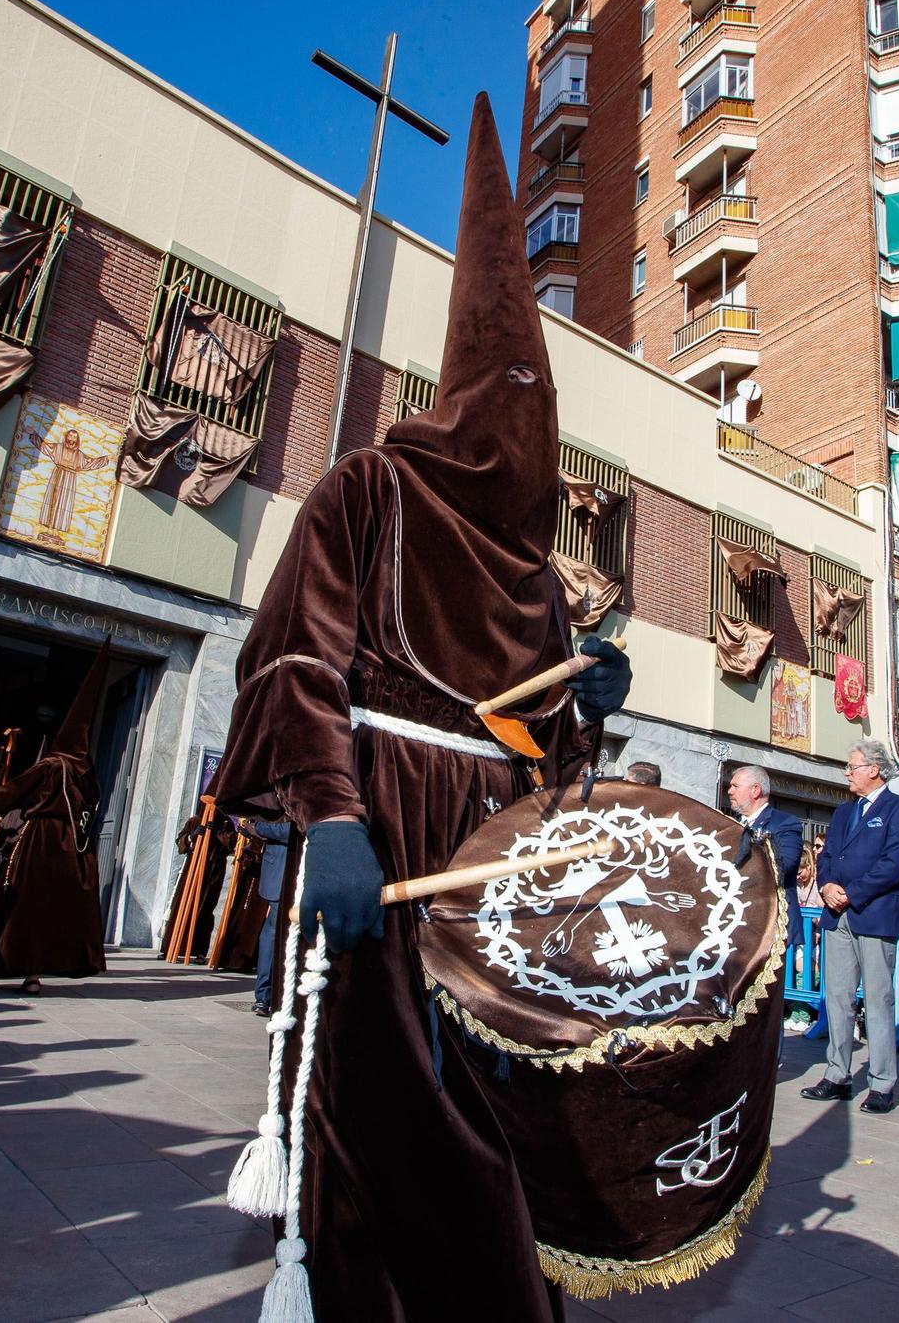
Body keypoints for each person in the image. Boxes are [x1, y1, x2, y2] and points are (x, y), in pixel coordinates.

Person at [207, 95, 629, 1322]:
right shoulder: (366, 492)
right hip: (385, 824)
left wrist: (586, 703)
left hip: (493, 852)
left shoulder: (539, 574)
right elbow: (292, 664)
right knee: (381, 1099)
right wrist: (331, 818)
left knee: (501, 1103)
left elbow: (539, 743)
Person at [0, 646, 109, 995]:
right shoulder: (87, 776)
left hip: (37, 842)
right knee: (45, 910)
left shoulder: (51, 766)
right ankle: (33, 975)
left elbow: (8, 794)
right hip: (71, 849)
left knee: (11, 903)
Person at [800, 740, 899, 1113]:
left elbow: (894, 862)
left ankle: (882, 1082)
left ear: (874, 769)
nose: (847, 772)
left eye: (853, 766)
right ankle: (837, 1074)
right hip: (837, 916)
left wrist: (852, 892)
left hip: (875, 912)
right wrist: (827, 885)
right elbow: (828, 855)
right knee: (837, 997)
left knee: (879, 999)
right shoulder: (843, 812)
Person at [727, 765, 805, 949]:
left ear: (755, 790)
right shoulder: (730, 825)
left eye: (735, 786)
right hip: (738, 921)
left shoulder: (785, 823)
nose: (729, 791)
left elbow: (785, 866)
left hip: (773, 920)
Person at [241, 815, 292, 1016]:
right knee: (271, 935)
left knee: (276, 936)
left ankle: (273, 995)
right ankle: (264, 996)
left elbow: (294, 829)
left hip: (297, 876)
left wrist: (259, 828)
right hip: (278, 877)